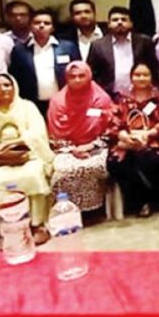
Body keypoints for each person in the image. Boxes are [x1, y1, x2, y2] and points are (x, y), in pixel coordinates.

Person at [0, 73, 53, 239]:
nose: (3, 89)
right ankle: (8, 229)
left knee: (34, 175)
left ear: (14, 87)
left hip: (26, 157)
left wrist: (16, 143)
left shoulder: (27, 107)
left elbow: (38, 133)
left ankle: (37, 225)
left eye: (7, 85)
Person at [105, 63, 159, 216]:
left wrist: (147, 135)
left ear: (152, 77)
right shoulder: (121, 97)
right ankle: (138, 203)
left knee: (150, 158)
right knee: (115, 163)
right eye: (137, 75)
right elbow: (113, 121)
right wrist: (125, 136)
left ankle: (158, 203)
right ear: (131, 77)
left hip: (156, 139)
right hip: (127, 140)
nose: (141, 78)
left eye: (145, 75)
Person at [47, 61, 112, 213]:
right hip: (66, 149)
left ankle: (94, 210)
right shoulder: (58, 101)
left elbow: (110, 129)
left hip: (97, 146)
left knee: (94, 167)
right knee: (63, 171)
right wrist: (73, 149)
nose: (77, 80)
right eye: (72, 76)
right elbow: (55, 135)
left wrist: (91, 146)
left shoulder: (100, 99)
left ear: (89, 76)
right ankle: (67, 210)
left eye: (81, 76)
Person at [8, 9, 80, 114]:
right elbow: (15, 77)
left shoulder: (68, 47)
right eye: (37, 23)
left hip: (64, 102)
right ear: (30, 26)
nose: (41, 26)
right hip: (32, 104)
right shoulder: (20, 50)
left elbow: (78, 72)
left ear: (53, 28)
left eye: (47, 23)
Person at [86, 6, 158, 97]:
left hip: (140, 96)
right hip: (108, 96)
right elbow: (92, 73)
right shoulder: (98, 45)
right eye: (115, 20)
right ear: (109, 24)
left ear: (131, 23)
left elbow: (153, 69)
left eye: (124, 20)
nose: (119, 22)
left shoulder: (144, 42)